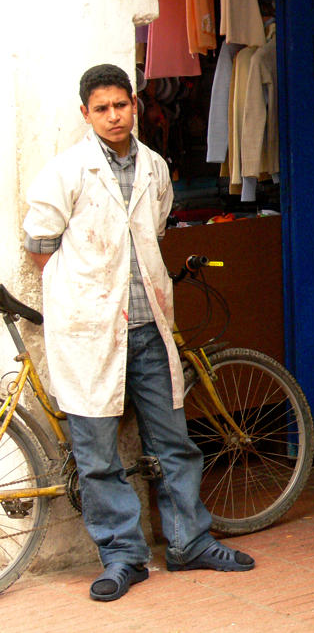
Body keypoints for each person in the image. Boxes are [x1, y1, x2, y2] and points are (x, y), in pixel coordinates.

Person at [22, 64, 255, 602]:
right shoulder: (66, 172)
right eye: (101, 109)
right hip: (89, 332)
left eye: (120, 106)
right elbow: (40, 245)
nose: (113, 116)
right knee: (99, 456)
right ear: (86, 114)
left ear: (134, 105)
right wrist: (82, 295)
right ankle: (124, 556)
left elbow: (154, 229)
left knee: (174, 442)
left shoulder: (154, 166)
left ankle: (188, 541)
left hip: (149, 327)